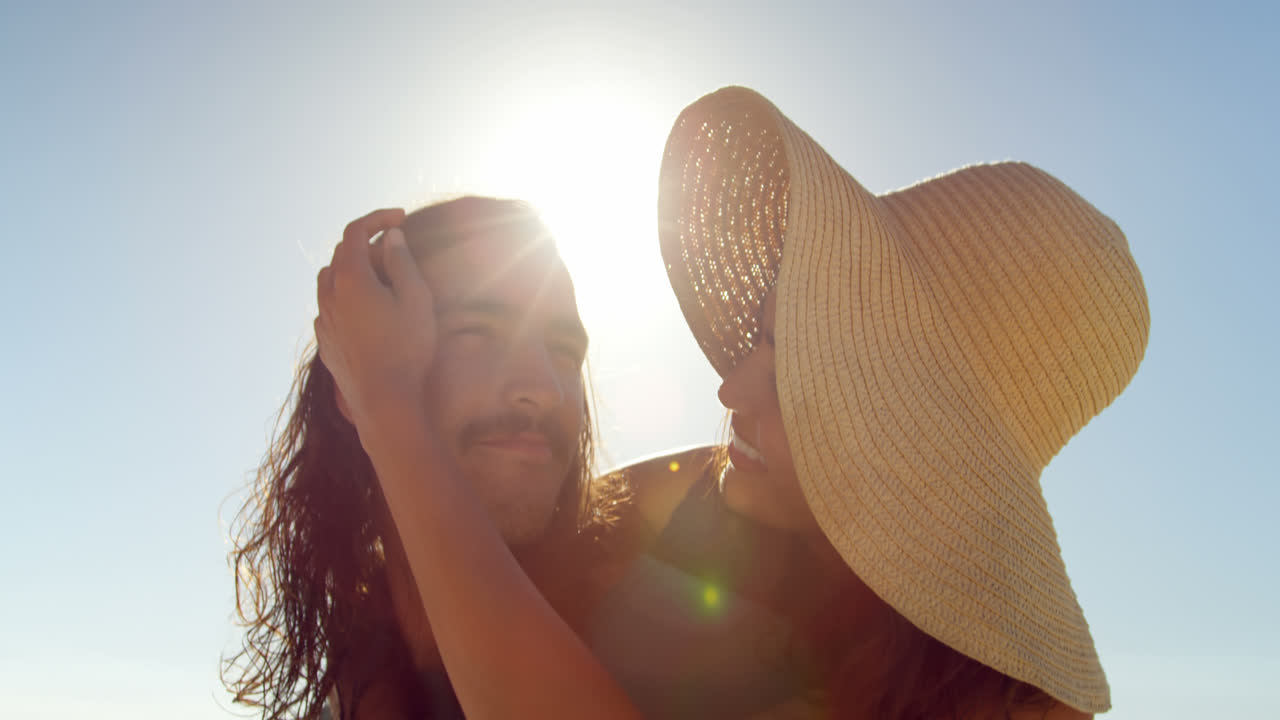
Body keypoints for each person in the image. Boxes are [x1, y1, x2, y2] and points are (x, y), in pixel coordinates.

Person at [590, 85, 1149, 718]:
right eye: (763, 340)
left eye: (789, 375)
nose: (729, 388)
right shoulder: (675, 500)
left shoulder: (1005, 707)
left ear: (912, 440)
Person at [223, 197, 636, 719]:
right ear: (352, 370)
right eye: (475, 332)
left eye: (563, 348)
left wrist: (389, 405)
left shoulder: (662, 614)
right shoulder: (354, 677)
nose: (545, 387)